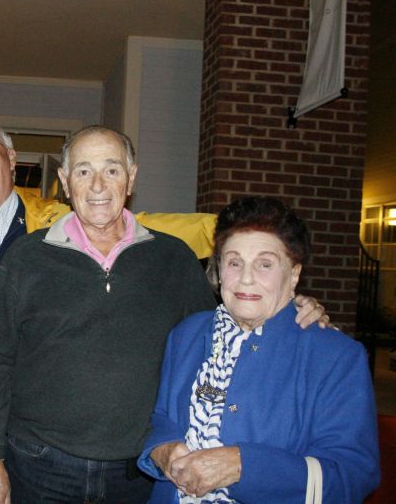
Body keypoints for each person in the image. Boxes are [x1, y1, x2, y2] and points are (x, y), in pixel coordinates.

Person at [0, 126, 330, 504]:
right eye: (83, 171)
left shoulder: (173, 258)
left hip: (142, 472)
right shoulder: (27, 257)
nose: (97, 186)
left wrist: (291, 310)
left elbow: (225, 333)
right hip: (40, 464)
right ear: (63, 180)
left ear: (131, 178)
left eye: (111, 170)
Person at [137, 196, 380, 503]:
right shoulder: (187, 334)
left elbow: (352, 475)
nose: (246, 278)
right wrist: (163, 449)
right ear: (219, 269)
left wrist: (243, 467)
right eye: (234, 262)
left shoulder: (335, 357)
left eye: (265, 264)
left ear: (293, 275)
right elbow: (161, 416)